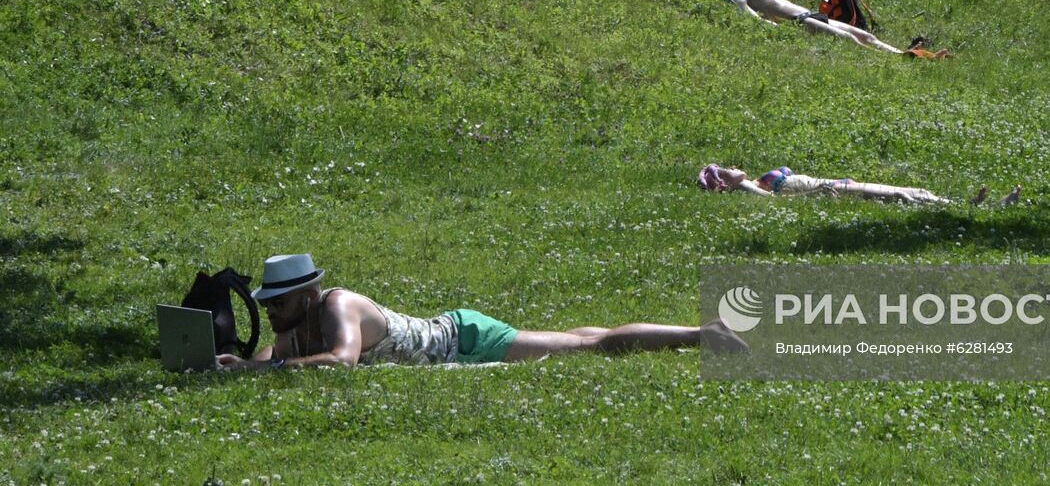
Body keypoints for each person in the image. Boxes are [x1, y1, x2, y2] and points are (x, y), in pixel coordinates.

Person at [215, 254, 747, 371]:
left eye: (276, 302)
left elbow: (343, 360)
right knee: (577, 336)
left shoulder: (338, 307)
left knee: (592, 345)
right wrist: (248, 366)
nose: (271, 311)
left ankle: (701, 333)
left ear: (306, 296)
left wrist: (273, 369)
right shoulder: (298, 320)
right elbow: (277, 351)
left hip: (464, 339)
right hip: (453, 330)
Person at [705, 0, 922, 55]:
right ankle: (888, 60)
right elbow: (754, 19)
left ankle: (900, 54)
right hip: (800, 21)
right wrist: (778, 31)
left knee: (865, 35)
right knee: (848, 39)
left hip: (810, 14)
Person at [697, 164, 1019, 206]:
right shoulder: (746, 188)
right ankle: (977, 210)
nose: (732, 168)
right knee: (901, 196)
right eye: (725, 170)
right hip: (832, 190)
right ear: (721, 183)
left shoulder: (754, 180)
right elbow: (776, 204)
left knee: (914, 191)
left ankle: (970, 207)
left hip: (838, 183)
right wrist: (817, 193)